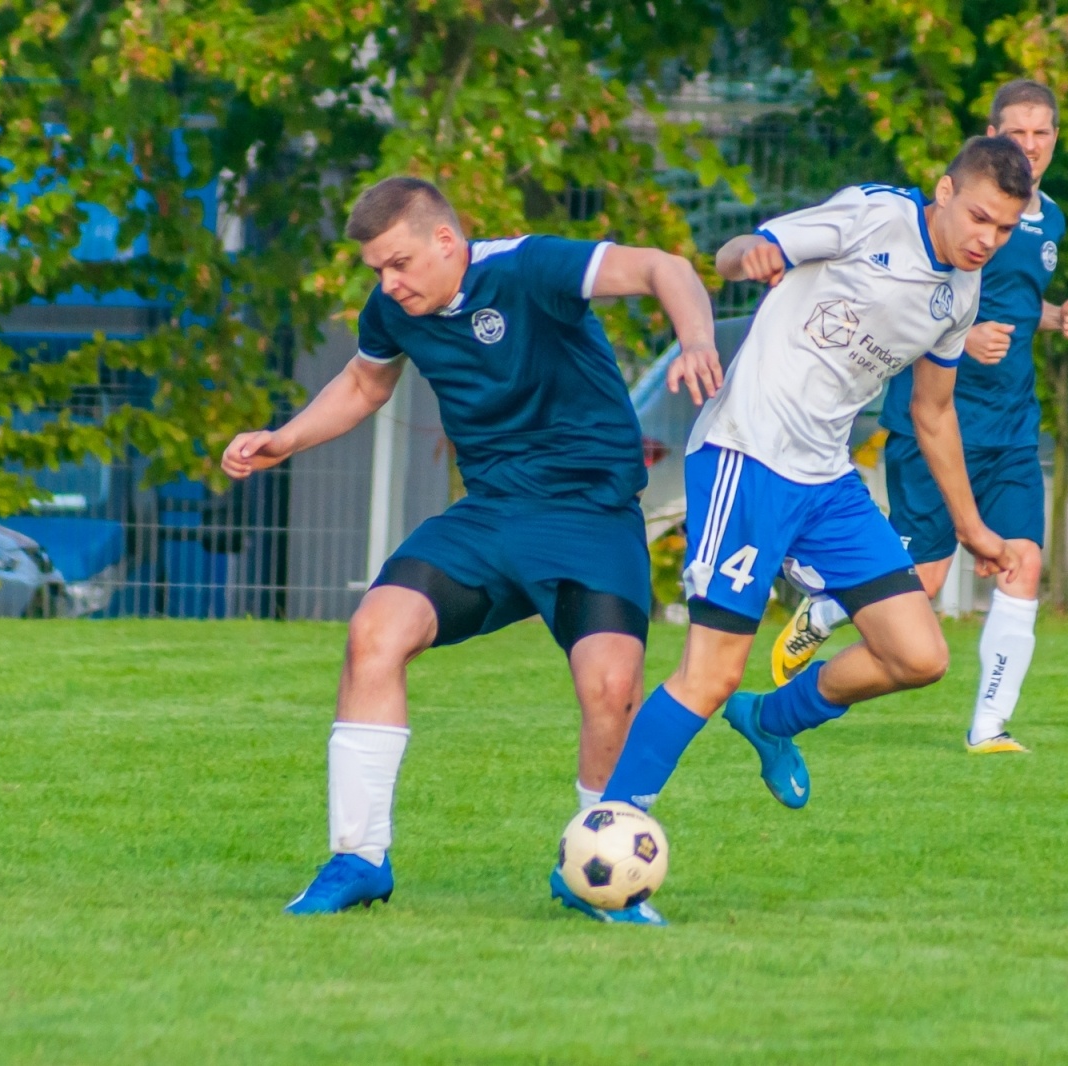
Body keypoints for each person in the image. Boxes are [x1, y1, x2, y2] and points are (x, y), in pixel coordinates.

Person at [220, 177, 721, 922]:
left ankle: (597, 877)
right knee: (374, 636)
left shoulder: (529, 269)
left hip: (589, 516)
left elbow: (665, 269)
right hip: (489, 518)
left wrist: (697, 339)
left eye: (398, 264)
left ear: (445, 242)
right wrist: (282, 439)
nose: (388, 284)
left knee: (611, 689)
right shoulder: (394, 309)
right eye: (376, 272)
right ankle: (357, 859)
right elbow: (364, 382)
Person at [573, 137, 1034, 922]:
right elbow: (738, 251)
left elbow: (931, 411)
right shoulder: (872, 217)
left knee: (919, 655)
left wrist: (973, 528)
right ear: (944, 190)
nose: (987, 239)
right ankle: (597, 854)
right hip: (747, 457)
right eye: (980, 217)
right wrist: (749, 253)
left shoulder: (961, 296)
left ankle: (772, 719)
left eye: (1005, 228)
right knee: (709, 673)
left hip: (827, 480)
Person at [770, 79, 1068, 754]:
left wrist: (1056, 317)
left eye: (1043, 134)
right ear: (992, 135)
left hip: (1009, 426)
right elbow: (920, 298)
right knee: (925, 581)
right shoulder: (954, 210)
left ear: (1056, 139)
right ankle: (829, 605)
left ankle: (989, 729)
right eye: (1017, 133)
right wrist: (959, 335)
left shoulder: (1049, 219)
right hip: (938, 421)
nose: (1030, 147)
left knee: (1023, 564)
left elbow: (1016, 298)